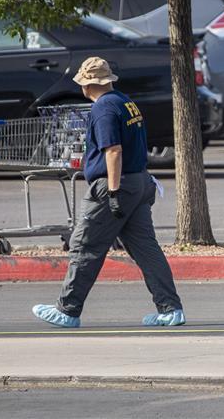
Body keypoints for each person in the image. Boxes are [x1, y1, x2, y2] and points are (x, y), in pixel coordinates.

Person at [33, 57, 185, 328]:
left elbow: (113, 151)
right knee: (146, 249)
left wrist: (113, 192)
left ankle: (68, 309)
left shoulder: (102, 109)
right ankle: (170, 308)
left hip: (115, 185)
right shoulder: (126, 102)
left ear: (87, 85)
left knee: (85, 245)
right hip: (139, 182)